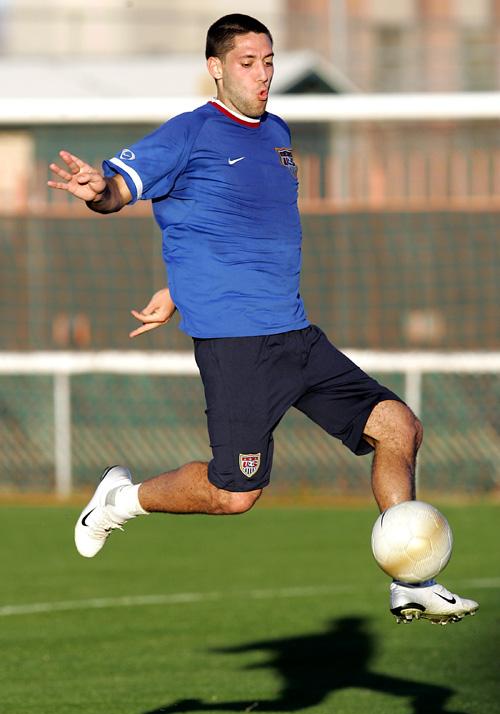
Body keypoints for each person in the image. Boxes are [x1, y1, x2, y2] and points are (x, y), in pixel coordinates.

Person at [48, 14, 478, 625]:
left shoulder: (277, 131)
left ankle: (412, 581)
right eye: (248, 63)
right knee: (235, 494)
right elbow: (119, 188)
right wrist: (99, 190)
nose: (263, 74)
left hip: (297, 335)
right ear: (216, 69)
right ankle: (119, 500)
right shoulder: (189, 133)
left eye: (269, 61)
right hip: (237, 346)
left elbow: (237, 225)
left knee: (398, 426)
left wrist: (178, 285)